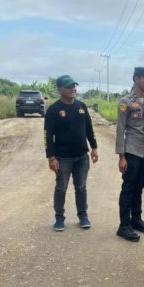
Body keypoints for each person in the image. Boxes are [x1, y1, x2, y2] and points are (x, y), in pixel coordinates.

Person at [44, 75, 99, 231]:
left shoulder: (81, 106)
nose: (73, 89)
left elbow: (89, 128)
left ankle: (83, 215)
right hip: (62, 158)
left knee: (81, 187)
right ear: (59, 89)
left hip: (82, 156)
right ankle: (59, 218)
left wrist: (94, 147)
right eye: (68, 87)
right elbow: (47, 135)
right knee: (61, 188)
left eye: (74, 86)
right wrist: (51, 158)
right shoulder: (53, 110)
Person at [115, 67, 144, 242]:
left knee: (139, 188)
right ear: (136, 79)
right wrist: (121, 156)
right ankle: (124, 225)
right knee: (128, 188)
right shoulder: (125, 102)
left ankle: (136, 220)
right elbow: (120, 129)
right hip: (131, 151)